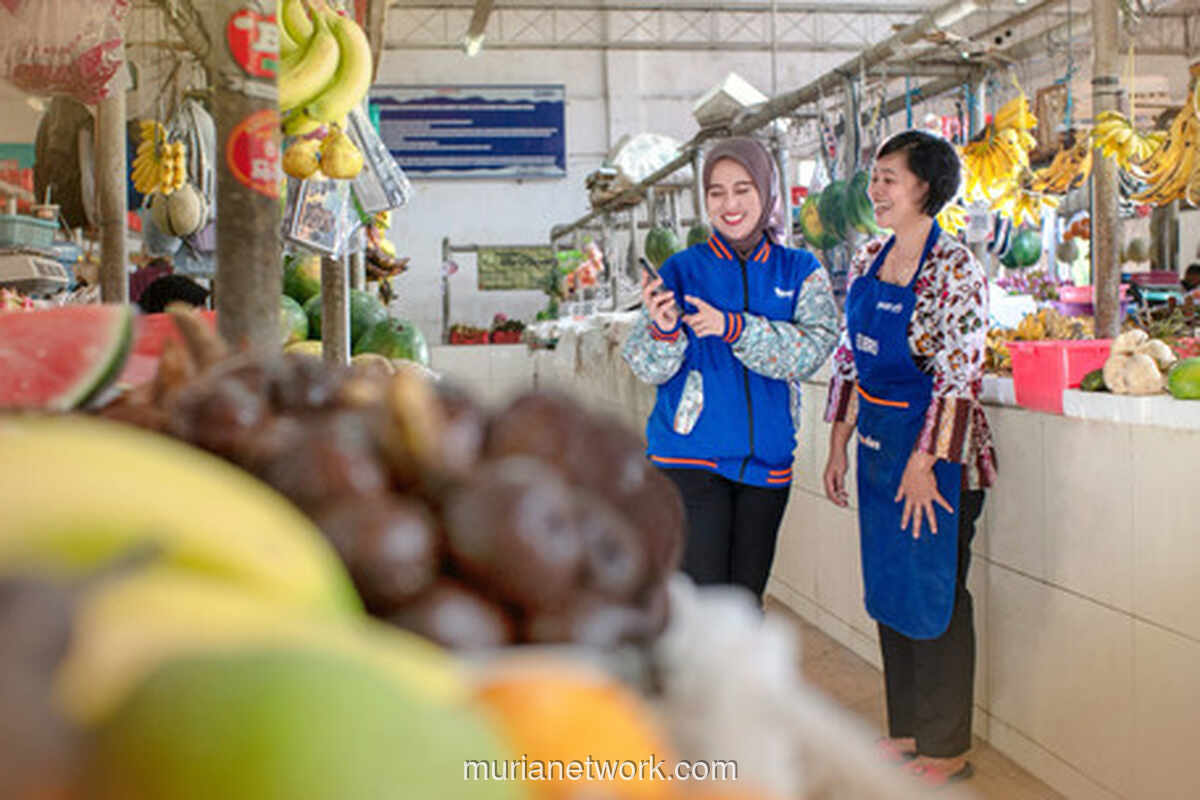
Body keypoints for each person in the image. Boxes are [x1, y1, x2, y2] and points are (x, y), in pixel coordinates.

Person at [821, 129, 997, 788]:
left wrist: (926, 462)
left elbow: (960, 373)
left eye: (890, 176)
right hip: (875, 449)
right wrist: (837, 439)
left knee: (937, 596)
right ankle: (908, 731)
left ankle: (947, 746)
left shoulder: (957, 269)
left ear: (927, 188)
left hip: (939, 458)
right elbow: (849, 354)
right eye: (876, 175)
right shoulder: (870, 256)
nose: (876, 188)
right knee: (894, 591)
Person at [622, 136, 839, 603]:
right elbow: (644, 365)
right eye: (717, 192)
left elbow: (814, 349)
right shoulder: (681, 269)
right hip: (688, 460)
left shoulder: (799, 271)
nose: (730, 203)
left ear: (766, 191)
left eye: (743, 189)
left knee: (744, 604)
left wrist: (733, 327)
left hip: (767, 468)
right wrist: (663, 330)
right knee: (705, 607)